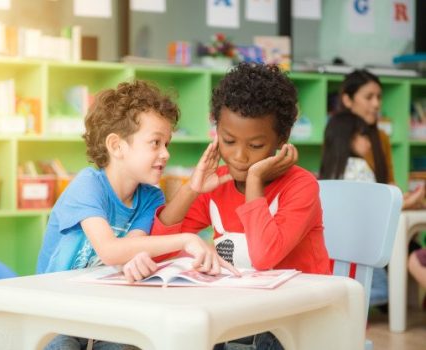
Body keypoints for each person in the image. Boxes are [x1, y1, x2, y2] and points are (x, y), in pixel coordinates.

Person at [37, 80, 236, 350]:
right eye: (155, 142)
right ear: (116, 146)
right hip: (55, 313)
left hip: (103, 315)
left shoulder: (151, 196)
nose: (165, 153)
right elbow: (110, 250)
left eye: (167, 143)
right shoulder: (88, 185)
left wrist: (134, 262)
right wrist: (186, 240)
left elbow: (131, 248)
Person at [151, 63, 331, 350]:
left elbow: (264, 256)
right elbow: (160, 247)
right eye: (228, 140)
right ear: (216, 132)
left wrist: (255, 181)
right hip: (241, 311)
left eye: (256, 145)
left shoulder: (302, 186)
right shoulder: (216, 183)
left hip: (297, 317)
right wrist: (192, 188)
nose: (239, 156)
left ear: (280, 141)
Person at [319, 110, 389, 307]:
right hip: (363, 245)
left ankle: (338, 298)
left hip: (333, 247)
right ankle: (341, 302)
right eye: (363, 134)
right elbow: (375, 207)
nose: (369, 141)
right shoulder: (360, 167)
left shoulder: (329, 171)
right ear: (348, 138)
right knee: (384, 292)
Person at [339, 69, 425, 209]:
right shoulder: (337, 134)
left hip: (379, 207)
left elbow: (388, 182)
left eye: (379, 97)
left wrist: (400, 196)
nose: (376, 104)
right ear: (347, 100)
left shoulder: (381, 137)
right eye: (369, 97)